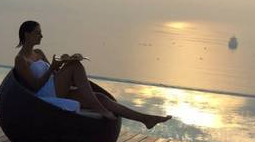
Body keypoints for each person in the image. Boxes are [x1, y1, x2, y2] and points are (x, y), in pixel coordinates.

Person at [14, 20, 172, 129]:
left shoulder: (39, 53)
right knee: (75, 66)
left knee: (101, 98)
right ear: (27, 35)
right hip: (43, 95)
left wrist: (62, 64)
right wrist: (54, 69)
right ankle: (99, 108)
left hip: (55, 87)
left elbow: (53, 73)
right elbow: (34, 86)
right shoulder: (21, 59)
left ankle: (145, 119)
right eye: (37, 33)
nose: (41, 36)